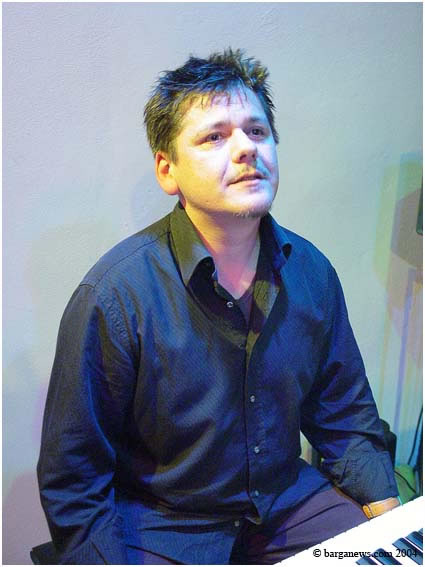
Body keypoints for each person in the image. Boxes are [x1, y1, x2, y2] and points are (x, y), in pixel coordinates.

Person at [37, 48, 400, 565]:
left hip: (286, 506)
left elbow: (344, 414)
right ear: (168, 170)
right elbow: (75, 481)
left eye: (257, 131)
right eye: (214, 137)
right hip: (162, 525)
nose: (246, 148)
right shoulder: (114, 296)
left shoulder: (312, 273)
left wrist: (394, 529)